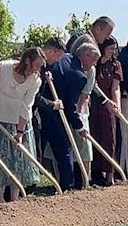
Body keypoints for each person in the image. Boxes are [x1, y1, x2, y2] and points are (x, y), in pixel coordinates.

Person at [0, 47, 43, 202]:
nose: (37, 70)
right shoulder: (3, 67)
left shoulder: (35, 81)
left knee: (18, 161)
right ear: (27, 61)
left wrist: (20, 132)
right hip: (0, 119)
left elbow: (26, 105)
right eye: (35, 65)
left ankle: (15, 198)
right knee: (1, 159)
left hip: (19, 123)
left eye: (40, 67)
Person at [39, 44, 98, 191]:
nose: (93, 65)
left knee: (42, 147)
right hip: (55, 112)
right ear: (85, 56)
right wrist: (79, 127)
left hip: (41, 107)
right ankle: (67, 186)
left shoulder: (64, 58)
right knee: (65, 149)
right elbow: (71, 106)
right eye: (93, 60)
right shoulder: (79, 76)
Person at [89, 36, 122, 186]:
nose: (112, 52)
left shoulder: (115, 65)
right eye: (110, 49)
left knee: (110, 139)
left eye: (114, 50)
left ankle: (110, 176)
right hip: (94, 104)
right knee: (95, 136)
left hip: (108, 106)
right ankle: (95, 174)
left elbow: (115, 87)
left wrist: (116, 104)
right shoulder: (94, 64)